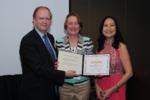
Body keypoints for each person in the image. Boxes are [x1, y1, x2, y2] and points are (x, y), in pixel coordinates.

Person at [19, 6, 76, 100]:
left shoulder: (50, 37)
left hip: (51, 90)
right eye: (41, 18)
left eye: (47, 18)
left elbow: (52, 60)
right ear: (34, 20)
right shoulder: (28, 41)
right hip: (36, 93)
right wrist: (64, 74)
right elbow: (39, 69)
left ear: (50, 21)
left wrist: (58, 63)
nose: (45, 21)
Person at [56, 13, 93, 100]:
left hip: (83, 86)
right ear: (66, 26)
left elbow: (90, 62)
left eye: (76, 23)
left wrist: (95, 68)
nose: (73, 26)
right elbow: (57, 61)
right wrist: (56, 65)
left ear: (80, 26)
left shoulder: (87, 41)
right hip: (65, 86)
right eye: (70, 23)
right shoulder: (59, 42)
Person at [95, 16, 133, 100]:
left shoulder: (121, 46)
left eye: (112, 25)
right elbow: (94, 71)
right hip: (101, 88)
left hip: (117, 87)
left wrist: (113, 89)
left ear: (116, 28)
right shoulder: (99, 47)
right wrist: (96, 87)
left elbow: (129, 73)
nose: (109, 28)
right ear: (102, 28)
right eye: (105, 25)